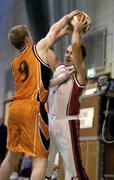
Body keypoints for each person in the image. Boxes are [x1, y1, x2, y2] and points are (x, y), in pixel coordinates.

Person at [0, 10, 79, 180]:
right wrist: (67, 18)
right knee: (41, 159)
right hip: (32, 109)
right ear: (28, 39)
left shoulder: (15, 63)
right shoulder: (37, 49)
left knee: (12, 156)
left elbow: (44, 84)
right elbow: (51, 31)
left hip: (15, 110)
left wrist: (63, 77)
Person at [45, 15, 89, 180]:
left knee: (74, 172)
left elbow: (77, 44)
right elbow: (46, 48)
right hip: (50, 122)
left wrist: (77, 28)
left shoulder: (80, 74)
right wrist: (61, 34)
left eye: (72, 53)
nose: (69, 54)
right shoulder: (58, 67)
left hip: (67, 123)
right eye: (67, 51)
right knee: (44, 169)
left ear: (79, 58)